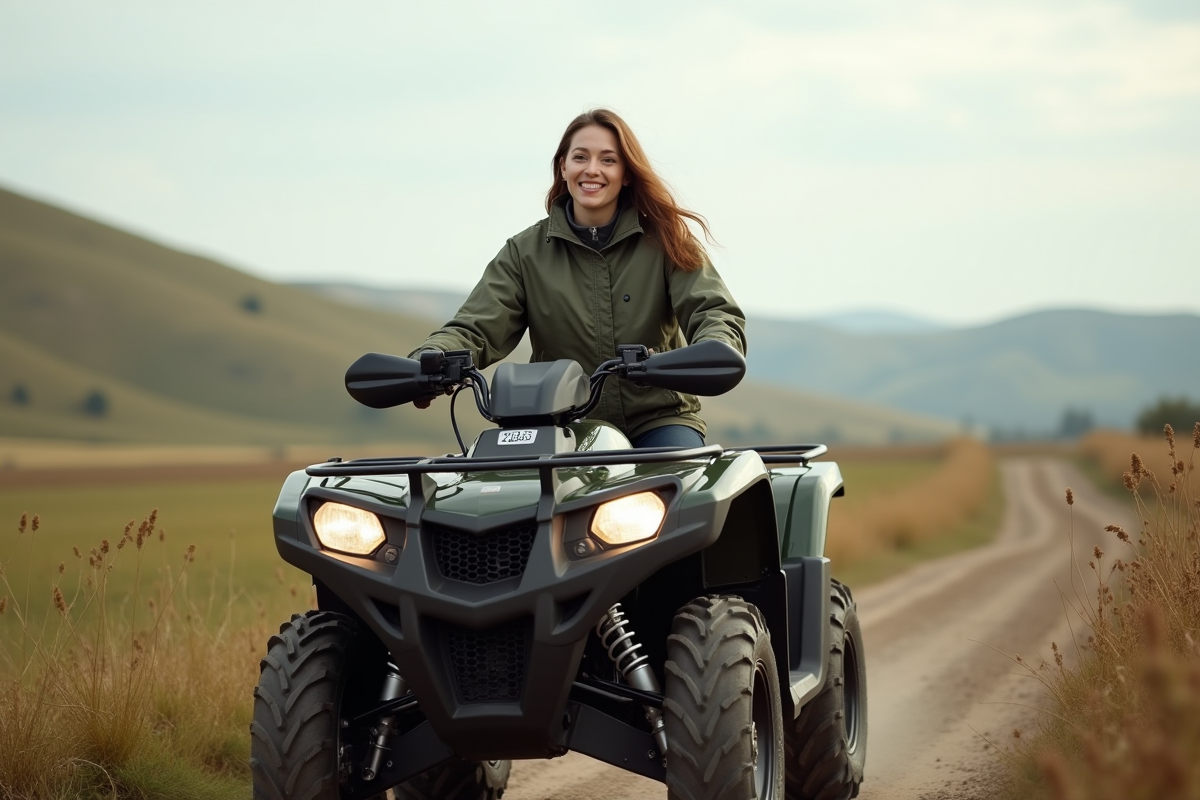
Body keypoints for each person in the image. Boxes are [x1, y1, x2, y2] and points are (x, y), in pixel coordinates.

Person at [409, 108, 746, 449]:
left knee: (682, 476)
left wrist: (716, 347)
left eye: (608, 160)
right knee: (496, 480)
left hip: (658, 420)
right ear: (563, 167)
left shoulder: (667, 242)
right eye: (580, 157)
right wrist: (429, 360)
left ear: (626, 174)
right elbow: (476, 327)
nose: (592, 169)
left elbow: (713, 312)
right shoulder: (524, 252)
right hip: (560, 425)